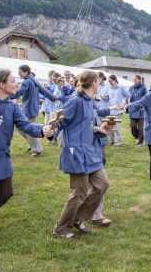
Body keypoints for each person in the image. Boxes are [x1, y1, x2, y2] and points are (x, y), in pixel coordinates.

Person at [0, 69, 53, 244]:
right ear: (2, 84)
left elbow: (25, 124)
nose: (16, 84)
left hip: (2, 159)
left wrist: (42, 129)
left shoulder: (12, 106)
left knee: (5, 194)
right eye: (12, 81)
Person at [53, 70, 114, 239]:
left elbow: (87, 126)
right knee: (78, 193)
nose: (100, 84)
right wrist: (50, 132)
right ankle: (61, 228)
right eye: (99, 82)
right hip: (77, 153)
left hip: (91, 152)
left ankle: (78, 219)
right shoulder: (75, 100)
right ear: (94, 82)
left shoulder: (90, 101)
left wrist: (100, 129)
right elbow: (62, 122)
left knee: (102, 184)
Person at [11, 65, 57, 157]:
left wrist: (6, 95)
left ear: (26, 72)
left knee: (27, 129)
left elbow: (20, 93)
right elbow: (44, 91)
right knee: (25, 128)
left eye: (20, 72)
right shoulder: (33, 80)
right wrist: (53, 98)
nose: (18, 74)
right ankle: (33, 145)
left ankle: (36, 149)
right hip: (34, 108)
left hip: (28, 109)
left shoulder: (26, 82)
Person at [106, 75, 128, 146]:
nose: (109, 83)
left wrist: (124, 104)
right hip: (111, 110)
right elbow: (108, 98)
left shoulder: (121, 87)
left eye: (110, 81)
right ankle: (112, 141)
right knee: (110, 126)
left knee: (116, 127)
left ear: (115, 80)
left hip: (118, 111)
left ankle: (118, 142)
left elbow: (127, 95)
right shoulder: (109, 88)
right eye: (108, 81)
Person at [128, 74, 147, 146]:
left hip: (141, 110)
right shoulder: (131, 88)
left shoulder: (143, 88)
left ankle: (140, 141)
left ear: (139, 80)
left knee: (140, 128)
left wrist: (144, 106)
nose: (134, 81)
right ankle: (138, 137)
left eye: (136, 79)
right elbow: (129, 97)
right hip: (133, 110)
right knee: (133, 126)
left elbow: (146, 97)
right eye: (134, 79)